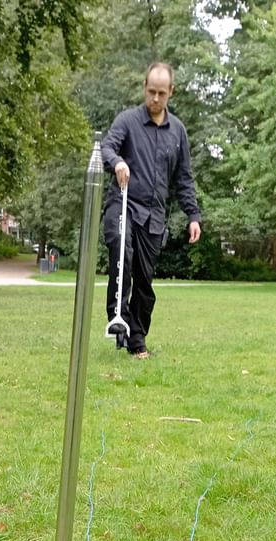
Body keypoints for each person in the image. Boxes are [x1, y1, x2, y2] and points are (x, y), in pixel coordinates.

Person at [101, 62, 201, 359]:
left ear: (171, 92)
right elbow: (107, 148)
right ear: (144, 88)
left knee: (144, 281)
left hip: (154, 215)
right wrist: (118, 162)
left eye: (161, 93)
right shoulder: (127, 121)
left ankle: (137, 339)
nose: (155, 98)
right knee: (122, 247)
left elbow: (184, 178)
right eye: (151, 92)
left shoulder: (178, 131)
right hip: (124, 203)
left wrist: (193, 215)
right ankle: (119, 321)